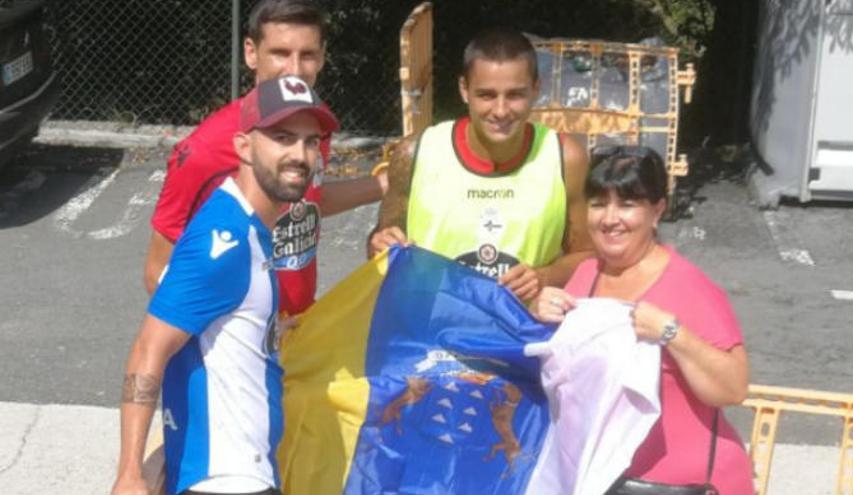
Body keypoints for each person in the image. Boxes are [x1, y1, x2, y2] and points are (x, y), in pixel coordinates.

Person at [111, 75, 336, 495]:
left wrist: (267, 333)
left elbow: (221, 320)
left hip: (243, 472)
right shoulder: (224, 241)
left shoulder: (251, 227)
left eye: (310, 141)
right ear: (243, 146)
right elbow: (148, 347)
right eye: (282, 137)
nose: (300, 154)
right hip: (226, 481)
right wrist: (130, 474)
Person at [530, 146, 754, 494]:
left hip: (687, 485)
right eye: (598, 203)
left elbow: (733, 388)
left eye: (627, 204)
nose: (610, 218)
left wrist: (671, 333)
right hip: (604, 480)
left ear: (657, 211)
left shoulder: (690, 287)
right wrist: (540, 312)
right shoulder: (585, 275)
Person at [146, 0, 387, 318]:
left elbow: (309, 200)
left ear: (323, 57)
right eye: (280, 53)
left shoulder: (314, 126)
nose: (295, 69)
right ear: (250, 53)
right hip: (235, 350)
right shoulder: (204, 151)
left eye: (308, 55)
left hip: (299, 329)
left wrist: (384, 183)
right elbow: (158, 271)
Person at [368, 27, 593, 301]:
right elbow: (378, 246)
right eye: (486, 95)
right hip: (433, 333)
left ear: (536, 89)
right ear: (464, 90)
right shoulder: (415, 153)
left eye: (515, 95)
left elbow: (588, 254)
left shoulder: (564, 158)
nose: (500, 110)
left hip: (519, 333)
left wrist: (544, 276)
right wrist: (381, 244)